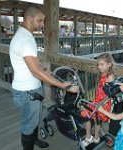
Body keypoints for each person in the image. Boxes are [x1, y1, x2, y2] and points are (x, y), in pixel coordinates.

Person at [9, 6, 71, 150]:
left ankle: (35, 139)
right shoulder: (25, 39)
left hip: (28, 89)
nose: (42, 24)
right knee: (28, 124)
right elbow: (36, 71)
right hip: (27, 91)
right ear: (29, 18)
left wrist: (47, 71)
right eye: (40, 21)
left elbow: (35, 64)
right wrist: (61, 85)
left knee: (34, 119)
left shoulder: (24, 35)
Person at [81, 53, 115, 147]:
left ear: (109, 65)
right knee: (93, 118)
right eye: (98, 64)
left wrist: (101, 103)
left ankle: (91, 138)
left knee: (91, 117)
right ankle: (93, 137)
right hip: (97, 101)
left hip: (103, 104)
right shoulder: (103, 74)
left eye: (101, 64)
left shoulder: (110, 77)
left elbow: (110, 93)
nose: (99, 67)